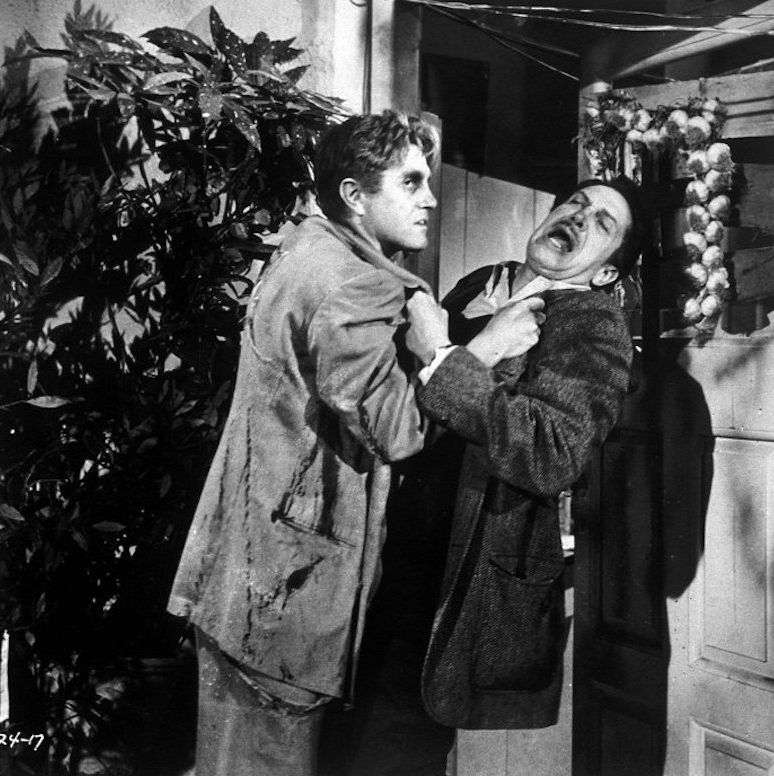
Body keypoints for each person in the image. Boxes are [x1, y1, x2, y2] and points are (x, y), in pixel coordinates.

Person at [165, 110, 542, 776]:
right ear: (354, 195)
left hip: (246, 572)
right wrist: (480, 349)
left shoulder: (306, 248)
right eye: (411, 182)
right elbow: (395, 430)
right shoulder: (352, 283)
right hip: (285, 594)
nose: (431, 200)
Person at [329, 177, 646, 776]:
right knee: (340, 729)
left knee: (392, 746)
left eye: (602, 223)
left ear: (607, 271)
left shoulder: (594, 325)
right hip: (381, 534)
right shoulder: (483, 283)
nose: (579, 218)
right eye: (575, 203)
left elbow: (553, 452)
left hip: (456, 562)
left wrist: (447, 357)